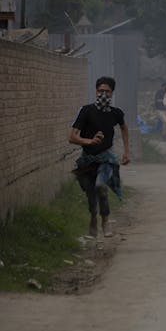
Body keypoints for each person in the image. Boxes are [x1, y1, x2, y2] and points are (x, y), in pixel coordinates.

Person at [69, 76, 130, 239]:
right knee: (90, 193)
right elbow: (72, 137)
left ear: (112, 93)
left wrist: (126, 152)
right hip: (87, 160)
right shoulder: (86, 111)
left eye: (107, 91)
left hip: (106, 159)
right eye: (100, 90)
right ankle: (93, 219)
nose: (103, 94)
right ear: (96, 91)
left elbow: (124, 128)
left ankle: (106, 221)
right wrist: (89, 141)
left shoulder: (116, 113)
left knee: (101, 186)